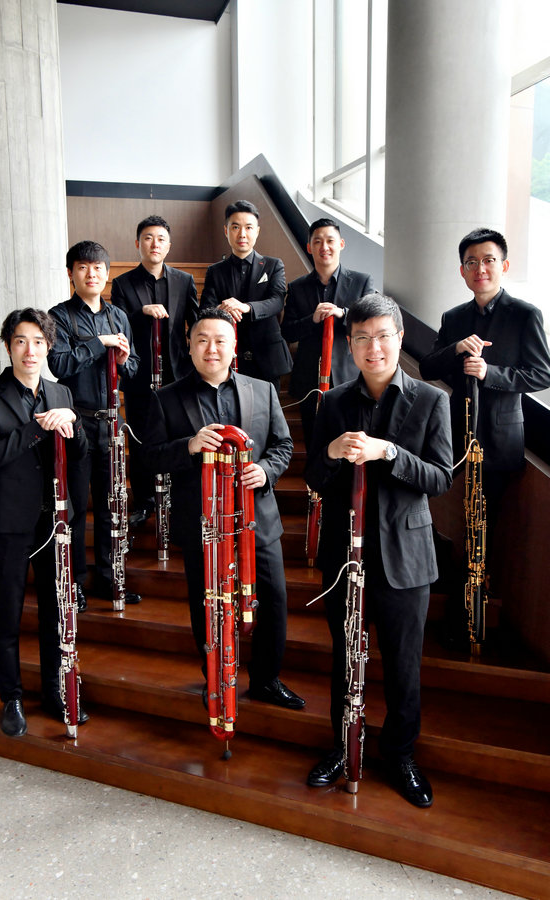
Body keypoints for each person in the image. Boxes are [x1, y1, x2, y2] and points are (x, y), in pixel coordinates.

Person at [305, 294, 453, 807]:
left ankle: (400, 754)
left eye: (383, 336)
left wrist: (389, 452)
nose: (374, 348)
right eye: (363, 338)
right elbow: (316, 478)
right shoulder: (332, 403)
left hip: (405, 558)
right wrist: (329, 452)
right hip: (344, 555)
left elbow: (440, 477)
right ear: (350, 344)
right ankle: (343, 746)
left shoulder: (432, 400)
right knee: (345, 658)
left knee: (403, 665)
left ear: (400, 338)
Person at [144, 308, 304, 710]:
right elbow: (149, 458)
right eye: (202, 340)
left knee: (273, 601)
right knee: (208, 604)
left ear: (235, 347)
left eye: (220, 341)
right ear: (189, 346)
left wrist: (265, 471)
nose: (211, 348)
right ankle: (214, 677)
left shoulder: (263, 390)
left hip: (257, 520)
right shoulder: (165, 398)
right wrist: (188, 446)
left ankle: (266, 679)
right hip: (203, 524)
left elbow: (283, 445)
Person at [0, 308, 89, 737]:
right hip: (11, 523)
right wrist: (39, 429)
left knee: (55, 612)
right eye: (21, 341)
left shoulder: (61, 392)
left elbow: (79, 453)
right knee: (8, 612)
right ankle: (12, 697)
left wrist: (73, 424)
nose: (30, 350)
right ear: (8, 346)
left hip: (54, 522)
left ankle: (54, 692)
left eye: (38, 341)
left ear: (49, 346)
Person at [420, 227, 550, 526]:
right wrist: (456, 348)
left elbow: (542, 374)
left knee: (487, 523)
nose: (480, 269)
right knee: (421, 492)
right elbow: (427, 369)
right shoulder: (453, 317)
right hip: (454, 430)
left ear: (504, 266)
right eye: (471, 262)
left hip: (499, 437)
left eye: (489, 260)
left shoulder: (525, 315)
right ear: (462, 271)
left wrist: (489, 372)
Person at [48, 240, 141, 608]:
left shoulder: (119, 316)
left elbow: (133, 371)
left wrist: (125, 359)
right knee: (75, 509)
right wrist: (99, 344)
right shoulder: (58, 316)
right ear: (70, 273)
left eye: (98, 268)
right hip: (76, 424)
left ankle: (109, 578)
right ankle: (75, 583)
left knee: (110, 507)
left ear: (107, 273)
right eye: (83, 267)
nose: (91, 274)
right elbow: (59, 364)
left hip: (112, 424)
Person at [111, 215, 199, 528]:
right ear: (138, 243)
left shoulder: (184, 280)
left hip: (177, 375)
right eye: (148, 238)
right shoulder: (122, 283)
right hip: (139, 377)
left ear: (169, 245)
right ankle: (145, 501)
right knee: (140, 440)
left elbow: (195, 323)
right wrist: (141, 312)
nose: (154, 244)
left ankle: (177, 497)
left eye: (161, 239)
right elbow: (117, 324)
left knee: (178, 436)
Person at [282, 218, 374, 449]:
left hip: (351, 377)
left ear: (341, 244)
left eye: (330, 240)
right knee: (315, 443)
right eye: (318, 241)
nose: (324, 247)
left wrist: (343, 313)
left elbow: (370, 321)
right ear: (309, 247)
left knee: (351, 444)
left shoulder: (362, 282)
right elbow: (288, 332)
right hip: (309, 380)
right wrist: (312, 319)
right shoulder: (296, 287)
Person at [200, 200, 292, 391]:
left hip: (267, 357)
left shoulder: (273, 265)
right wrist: (223, 309)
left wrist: (246, 307)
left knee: (267, 409)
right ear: (226, 231)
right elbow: (206, 309)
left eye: (248, 227)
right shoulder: (215, 271)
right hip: (228, 356)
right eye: (235, 227)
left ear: (257, 231)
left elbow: (277, 301)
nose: (242, 234)